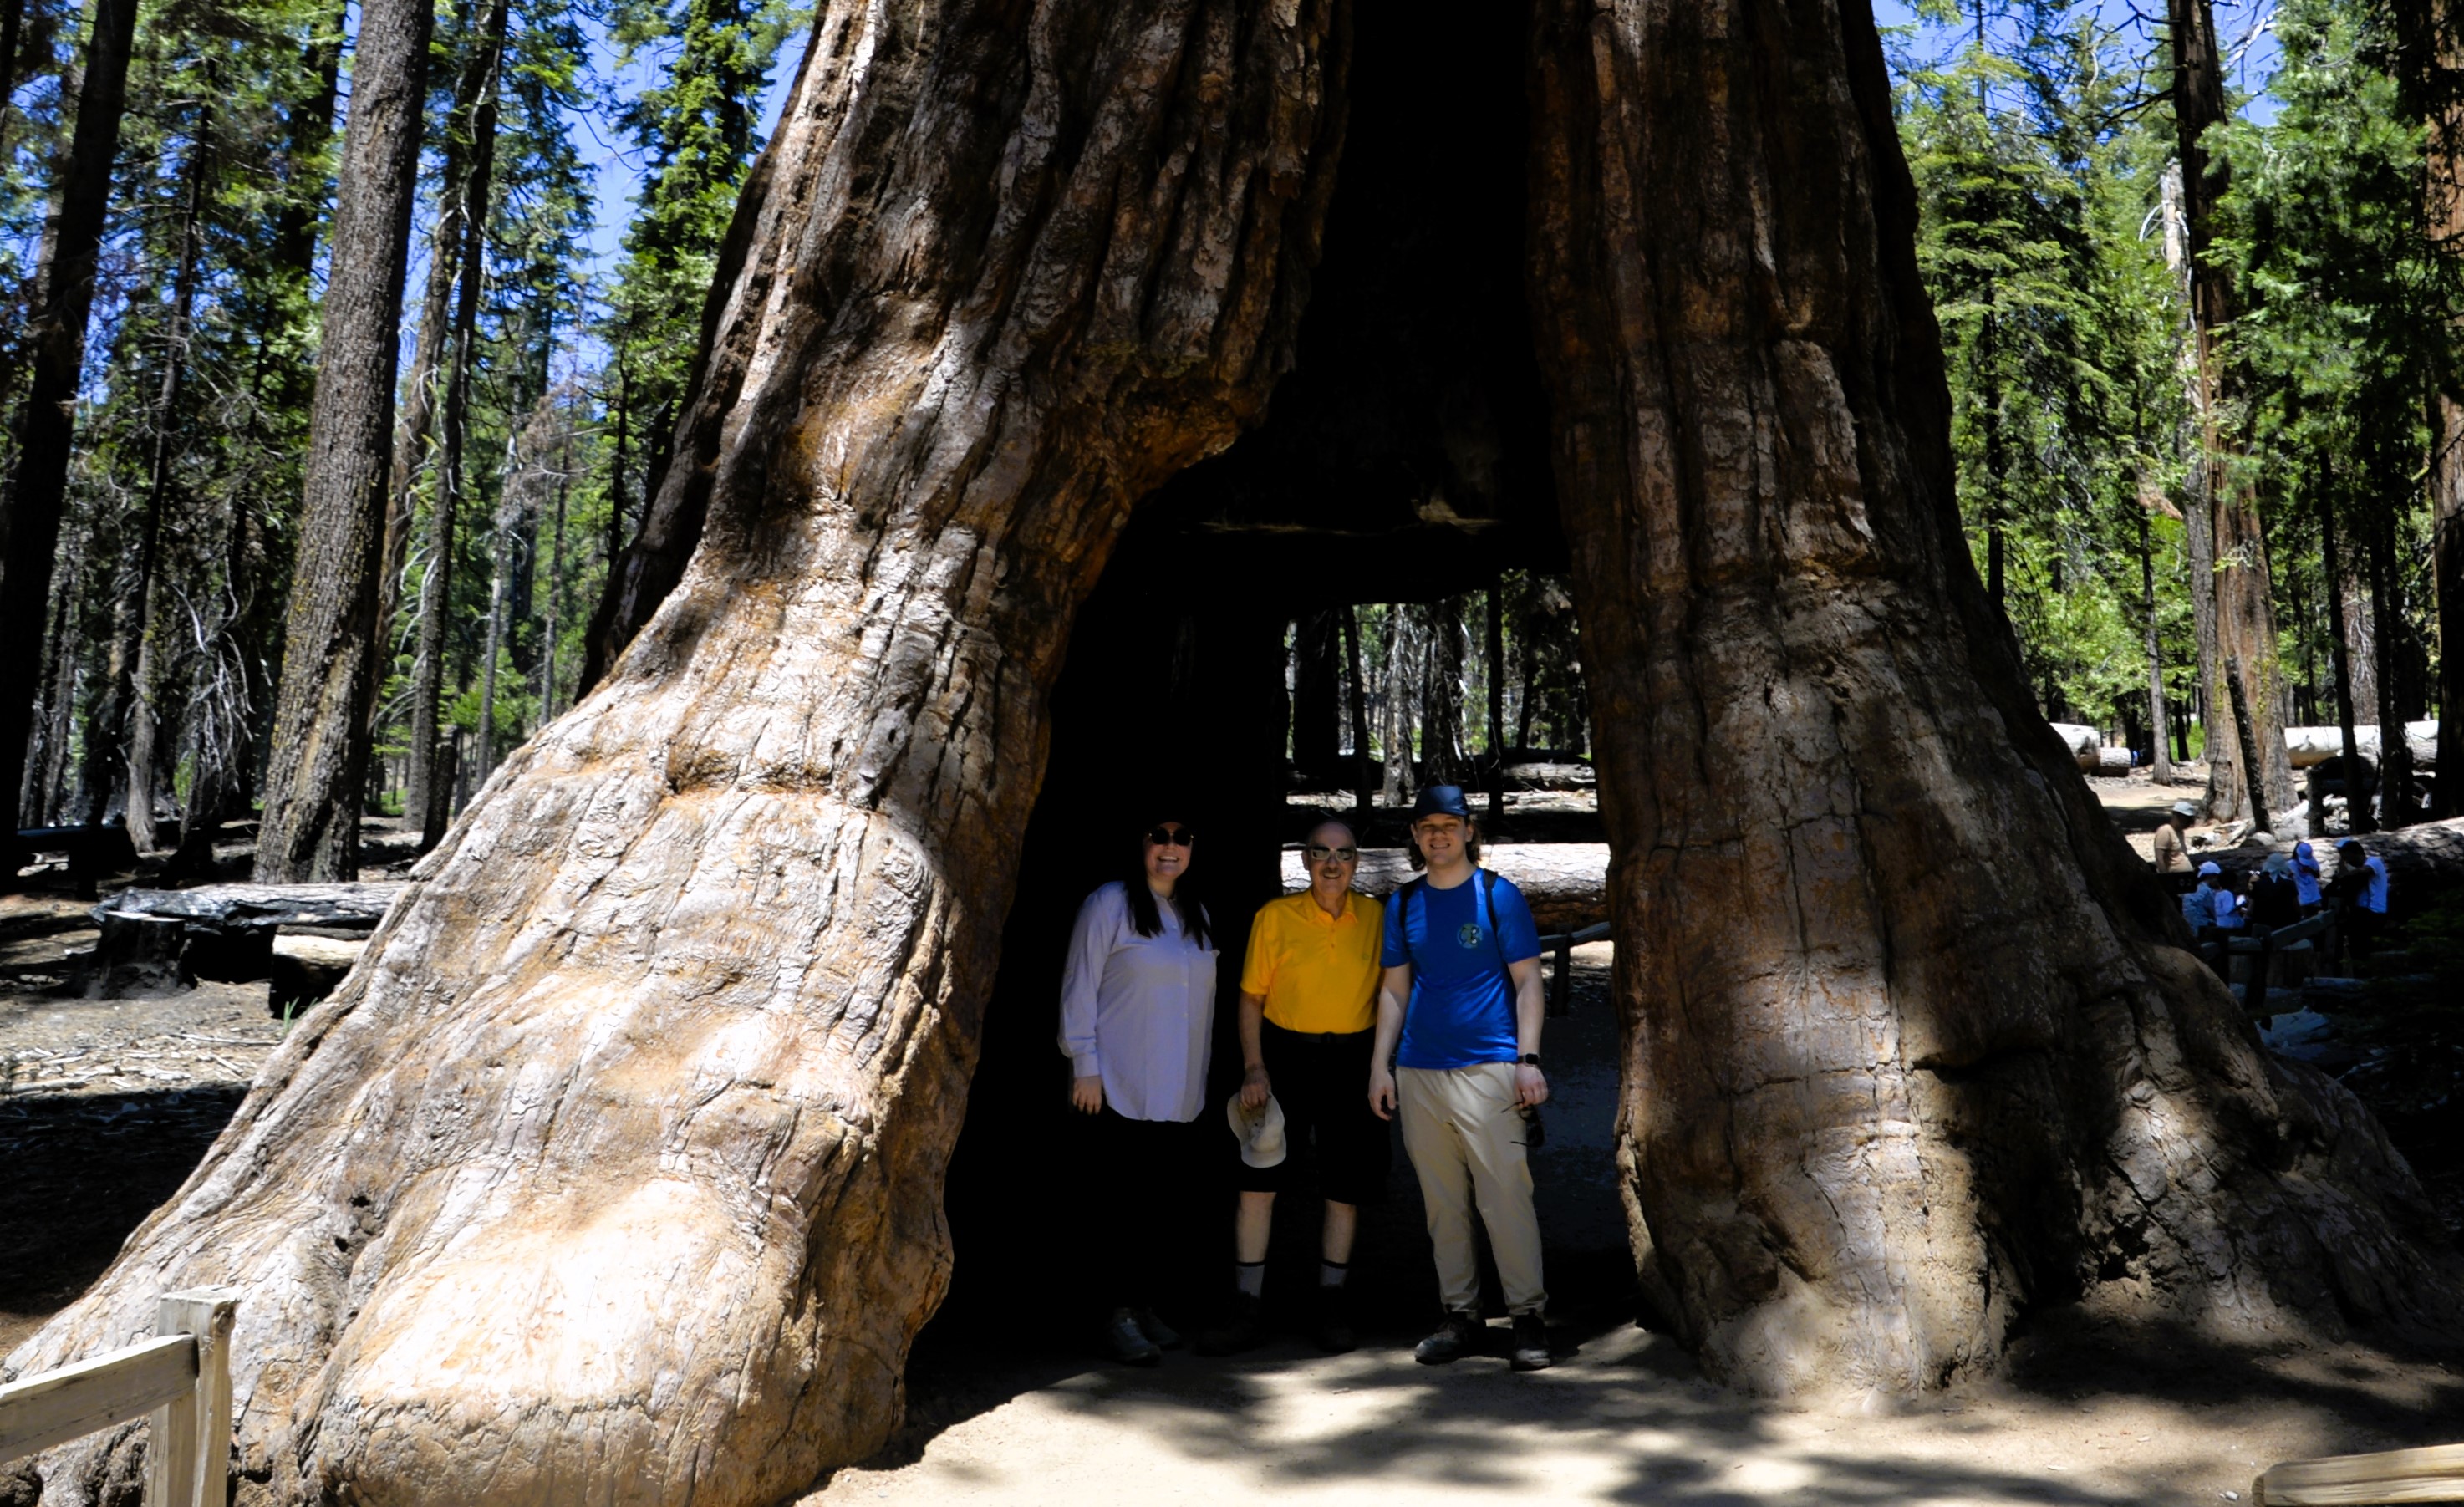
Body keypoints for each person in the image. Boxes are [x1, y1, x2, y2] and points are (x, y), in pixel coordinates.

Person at [1368, 785, 1552, 1372]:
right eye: (1426, 826)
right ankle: (1460, 1314)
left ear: (1469, 830)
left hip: (1491, 1065)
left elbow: (1527, 980)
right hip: (1420, 1070)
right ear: (1416, 836)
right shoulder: (1403, 904)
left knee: (1505, 1198)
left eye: (1449, 824)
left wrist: (1528, 1060)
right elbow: (1395, 990)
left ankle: (1527, 1315)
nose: (1438, 836)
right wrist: (1381, 1063)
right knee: (1443, 1204)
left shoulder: (1497, 896)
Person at [1199, 819, 1389, 1357]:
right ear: (1305, 860)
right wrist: (1255, 1067)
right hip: (1284, 1057)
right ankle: (1246, 1306)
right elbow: (1251, 997)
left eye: (1344, 854)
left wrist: (1383, 1065)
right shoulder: (1275, 917)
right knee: (1256, 1181)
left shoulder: (1377, 918)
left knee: (1344, 1188)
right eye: (1322, 853)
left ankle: (1330, 1304)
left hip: (1353, 1060)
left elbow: (1396, 993)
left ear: (1356, 862)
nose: (1333, 864)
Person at [1058, 813, 1219, 1365]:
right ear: (1141, 844)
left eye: (1182, 837)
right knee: (1116, 1203)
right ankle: (1115, 1313)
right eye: (1160, 837)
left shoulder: (1194, 913)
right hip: (1117, 1083)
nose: (1170, 848)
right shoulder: (1109, 904)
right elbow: (1080, 981)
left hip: (1177, 1088)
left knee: (1160, 1204)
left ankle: (1145, 1304)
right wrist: (1085, 1061)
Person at [2330, 838, 2390, 961]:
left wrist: (2344, 874)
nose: (2347, 861)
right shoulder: (2358, 869)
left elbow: (2363, 871)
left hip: (2374, 911)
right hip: (2363, 911)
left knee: (2364, 947)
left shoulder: (2373, 862)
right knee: (2358, 945)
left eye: (2347, 857)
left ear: (2355, 853)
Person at [2247, 853, 2302, 930]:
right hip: (2286, 927)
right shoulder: (2289, 884)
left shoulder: (2258, 884)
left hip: (2264, 928)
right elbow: (2297, 908)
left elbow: (2250, 910)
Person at [2150, 800, 2198, 878]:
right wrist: (2166, 878)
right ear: (2176, 816)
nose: (2188, 822)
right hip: (2174, 878)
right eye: (2186, 818)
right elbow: (2159, 858)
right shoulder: (2165, 831)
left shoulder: (2180, 832)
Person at [2292, 841, 2324, 915]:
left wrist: (2310, 870)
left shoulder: (2312, 861)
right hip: (2302, 899)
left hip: (2314, 896)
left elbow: (2318, 875)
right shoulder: (2291, 864)